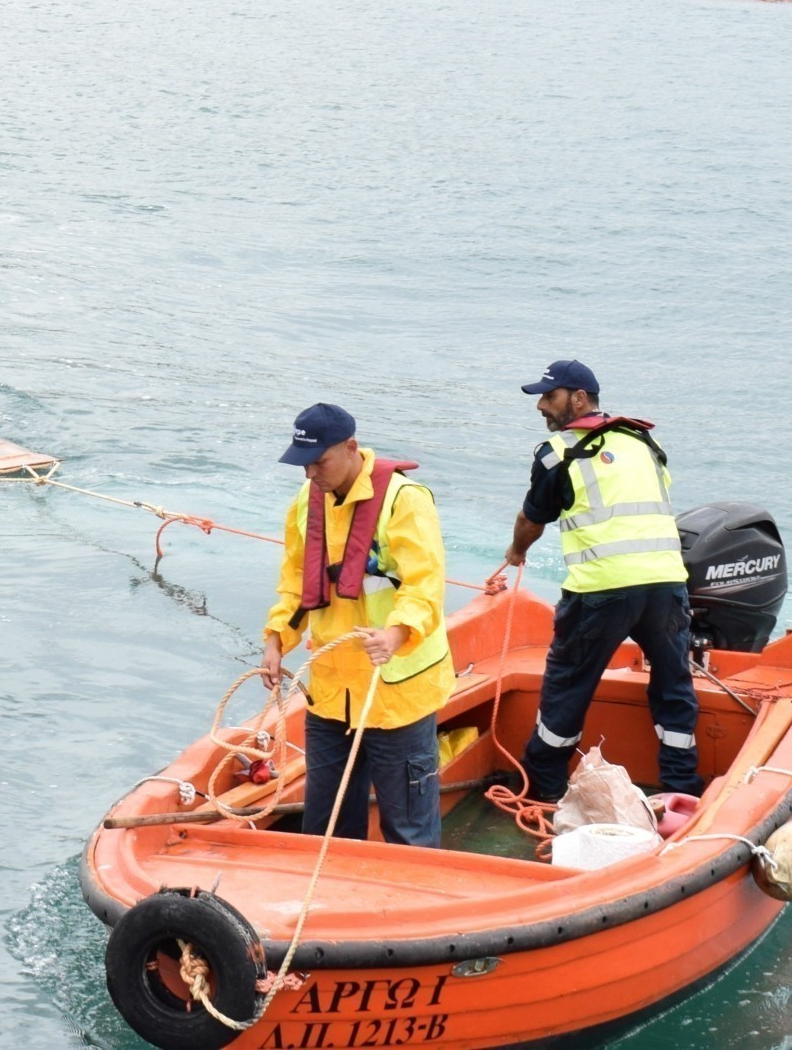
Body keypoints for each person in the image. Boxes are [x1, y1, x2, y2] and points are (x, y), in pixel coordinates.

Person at [490, 361, 703, 802]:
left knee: (568, 685)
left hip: (602, 590)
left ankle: (542, 790)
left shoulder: (557, 452)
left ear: (579, 398)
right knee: (674, 684)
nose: (541, 407)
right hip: (666, 582)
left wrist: (517, 553)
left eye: (549, 397)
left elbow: (532, 518)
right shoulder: (644, 440)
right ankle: (682, 791)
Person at [259, 402, 455, 847]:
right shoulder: (303, 507)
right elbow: (295, 585)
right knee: (325, 823)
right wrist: (276, 641)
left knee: (408, 828)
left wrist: (395, 633)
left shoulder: (405, 501)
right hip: (330, 694)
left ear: (351, 448)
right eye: (303, 465)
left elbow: (424, 585)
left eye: (319, 462)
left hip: (396, 692)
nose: (311, 474)